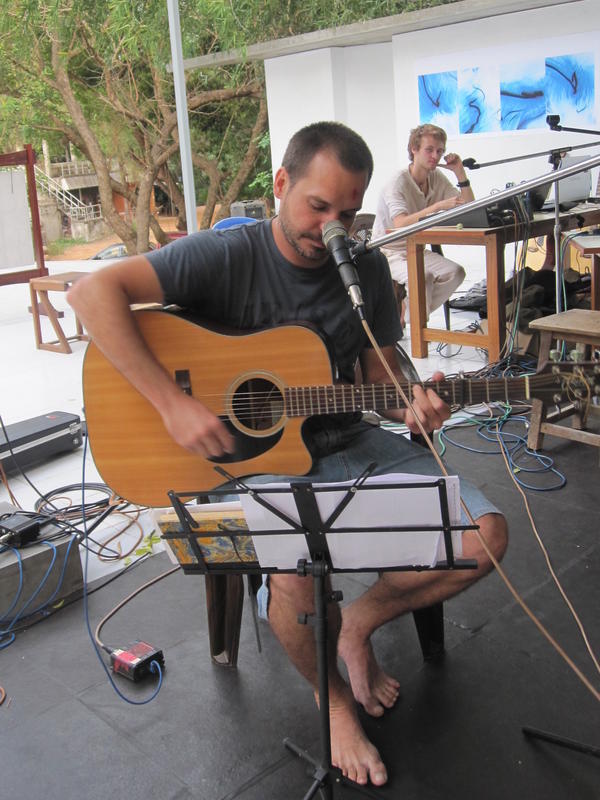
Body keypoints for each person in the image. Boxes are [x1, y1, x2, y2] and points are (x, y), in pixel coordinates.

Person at [68, 121, 507, 788]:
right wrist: (171, 403)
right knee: (294, 575)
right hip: (237, 461)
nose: (332, 226)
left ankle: (356, 627)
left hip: (346, 442)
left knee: (487, 535)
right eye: (318, 206)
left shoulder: (362, 270)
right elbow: (89, 294)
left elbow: (378, 383)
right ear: (281, 185)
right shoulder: (224, 255)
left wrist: (412, 403)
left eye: (349, 211)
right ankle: (331, 705)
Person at [372, 123, 474, 324]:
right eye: (429, 150)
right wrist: (436, 207)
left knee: (456, 272)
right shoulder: (397, 182)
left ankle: (408, 316)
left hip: (416, 249)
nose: (435, 156)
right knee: (423, 276)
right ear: (414, 149)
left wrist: (460, 174)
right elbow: (399, 224)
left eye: (439, 151)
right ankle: (416, 326)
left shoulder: (436, 177)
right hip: (387, 252)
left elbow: (470, 208)